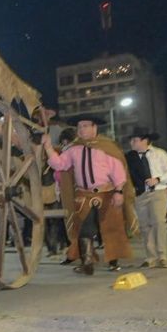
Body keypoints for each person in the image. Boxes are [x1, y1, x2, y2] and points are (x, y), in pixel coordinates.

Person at [42, 114, 136, 275]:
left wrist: (119, 191)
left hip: (107, 193)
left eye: (85, 126)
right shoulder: (73, 149)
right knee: (84, 230)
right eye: (79, 127)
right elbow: (60, 164)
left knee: (111, 228)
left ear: (94, 127)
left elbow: (118, 171)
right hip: (83, 195)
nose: (82, 129)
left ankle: (113, 262)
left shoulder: (108, 147)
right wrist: (48, 147)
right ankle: (87, 263)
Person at [125, 127, 167, 268]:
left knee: (159, 222)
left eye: (135, 140)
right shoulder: (130, 157)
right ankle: (150, 257)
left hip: (158, 192)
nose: (132, 143)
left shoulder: (159, 154)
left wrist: (158, 179)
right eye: (131, 140)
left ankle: (162, 256)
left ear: (145, 140)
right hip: (140, 194)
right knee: (144, 226)